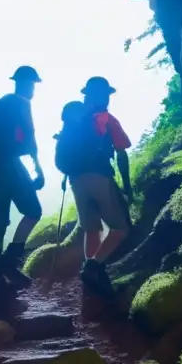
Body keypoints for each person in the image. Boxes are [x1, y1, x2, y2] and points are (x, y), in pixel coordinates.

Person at [55, 76, 133, 296]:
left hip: (76, 180)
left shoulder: (72, 121)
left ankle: (91, 274)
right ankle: (93, 266)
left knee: (92, 228)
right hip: (99, 177)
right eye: (106, 94)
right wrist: (127, 185)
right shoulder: (107, 119)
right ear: (100, 96)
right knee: (121, 228)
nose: (108, 98)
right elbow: (121, 152)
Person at [0, 65, 44, 292]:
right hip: (11, 165)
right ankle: (9, 262)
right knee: (33, 211)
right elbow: (30, 137)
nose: (33, 89)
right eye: (33, 84)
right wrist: (38, 168)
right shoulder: (22, 103)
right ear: (28, 83)